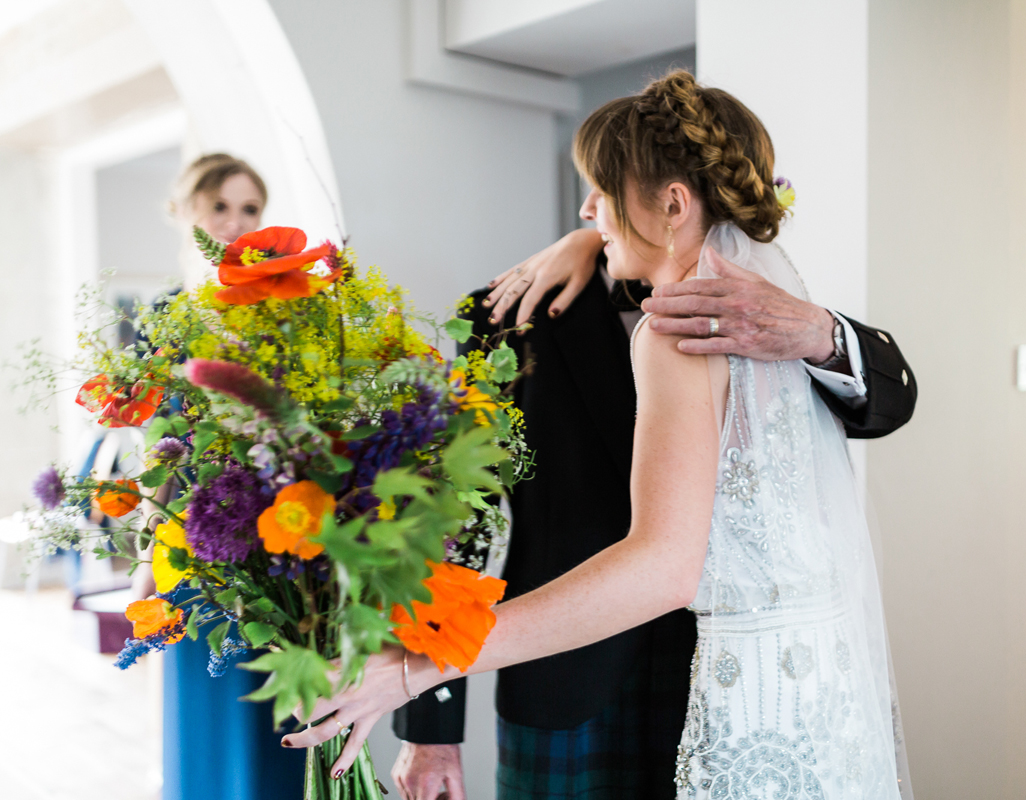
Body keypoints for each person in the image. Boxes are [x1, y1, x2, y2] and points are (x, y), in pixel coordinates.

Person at [287, 71, 915, 800]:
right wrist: (431, 722)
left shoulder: (773, 317)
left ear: (671, 202)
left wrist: (415, 667)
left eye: (599, 189)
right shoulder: (508, 315)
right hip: (577, 688)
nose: (586, 210)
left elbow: (888, 399)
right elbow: (456, 515)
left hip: (714, 678)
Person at [133, 153, 307, 800]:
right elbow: (160, 444)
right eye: (220, 207)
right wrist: (150, 550)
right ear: (185, 213)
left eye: (251, 209)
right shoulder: (164, 316)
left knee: (277, 721)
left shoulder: (288, 310)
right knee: (204, 724)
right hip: (194, 542)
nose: (235, 224)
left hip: (280, 536)